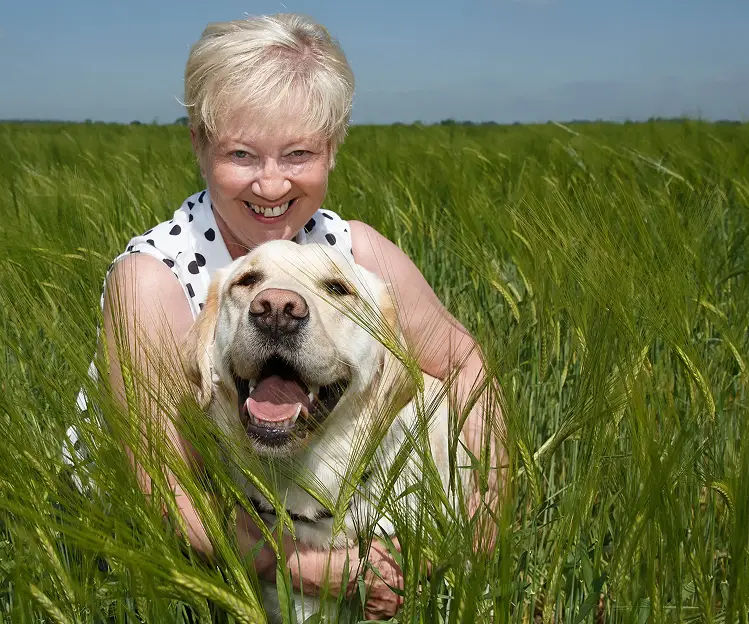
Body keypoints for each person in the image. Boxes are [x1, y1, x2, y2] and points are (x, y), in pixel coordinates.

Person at [71, 12, 506, 620]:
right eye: (242, 154)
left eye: (298, 153)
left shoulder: (358, 254)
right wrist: (325, 570)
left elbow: (463, 365)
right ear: (199, 144)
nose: (271, 185)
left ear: (333, 149)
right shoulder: (152, 280)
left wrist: (484, 511)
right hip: (163, 555)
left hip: (319, 521)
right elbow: (166, 495)